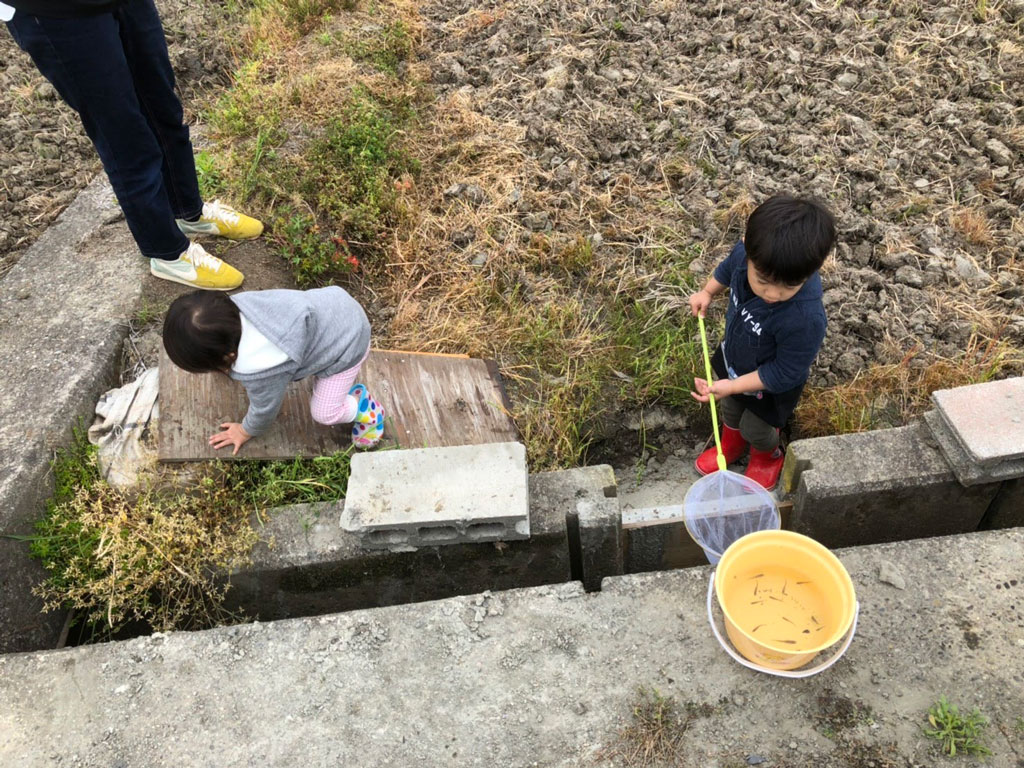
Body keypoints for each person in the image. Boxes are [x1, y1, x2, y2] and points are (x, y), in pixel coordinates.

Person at [2, 0, 261, 290]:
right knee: (124, 135)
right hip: (57, 13)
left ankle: (189, 211)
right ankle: (167, 253)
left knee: (164, 110)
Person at [687, 195, 836, 490]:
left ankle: (767, 455)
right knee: (731, 409)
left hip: (771, 386)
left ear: (810, 271)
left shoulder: (805, 318)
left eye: (788, 286)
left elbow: (784, 373)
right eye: (763, 281)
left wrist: (733, 385)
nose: (773, 294)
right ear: (746, 246)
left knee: (756, 426)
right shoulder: (745, 257)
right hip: (736, 356)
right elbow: (727, 270)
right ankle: (731, 444)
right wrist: (707, 292)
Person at [162, 287, 385, 453]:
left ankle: (366, 409)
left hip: (348, 345)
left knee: (324, 412)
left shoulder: (263, 368)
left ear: (228, 356)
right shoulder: (236, 307)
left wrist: (245, 430)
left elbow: (265, 410)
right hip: (335, 304)